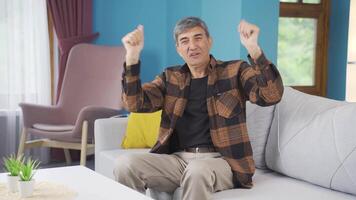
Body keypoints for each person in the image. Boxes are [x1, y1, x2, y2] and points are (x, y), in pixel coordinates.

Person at [115, 16, 284, 200]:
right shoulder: (170, 78)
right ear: (179, 50)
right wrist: (132, 56)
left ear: (209, 41)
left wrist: (253, 48)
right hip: (178, 160)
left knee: (197, 170)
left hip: (223, 162)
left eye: (198, 38)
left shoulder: (234, 71)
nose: (192, 46)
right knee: (125, 164)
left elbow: (272, 95)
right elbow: (134, 103)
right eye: (184, 41)